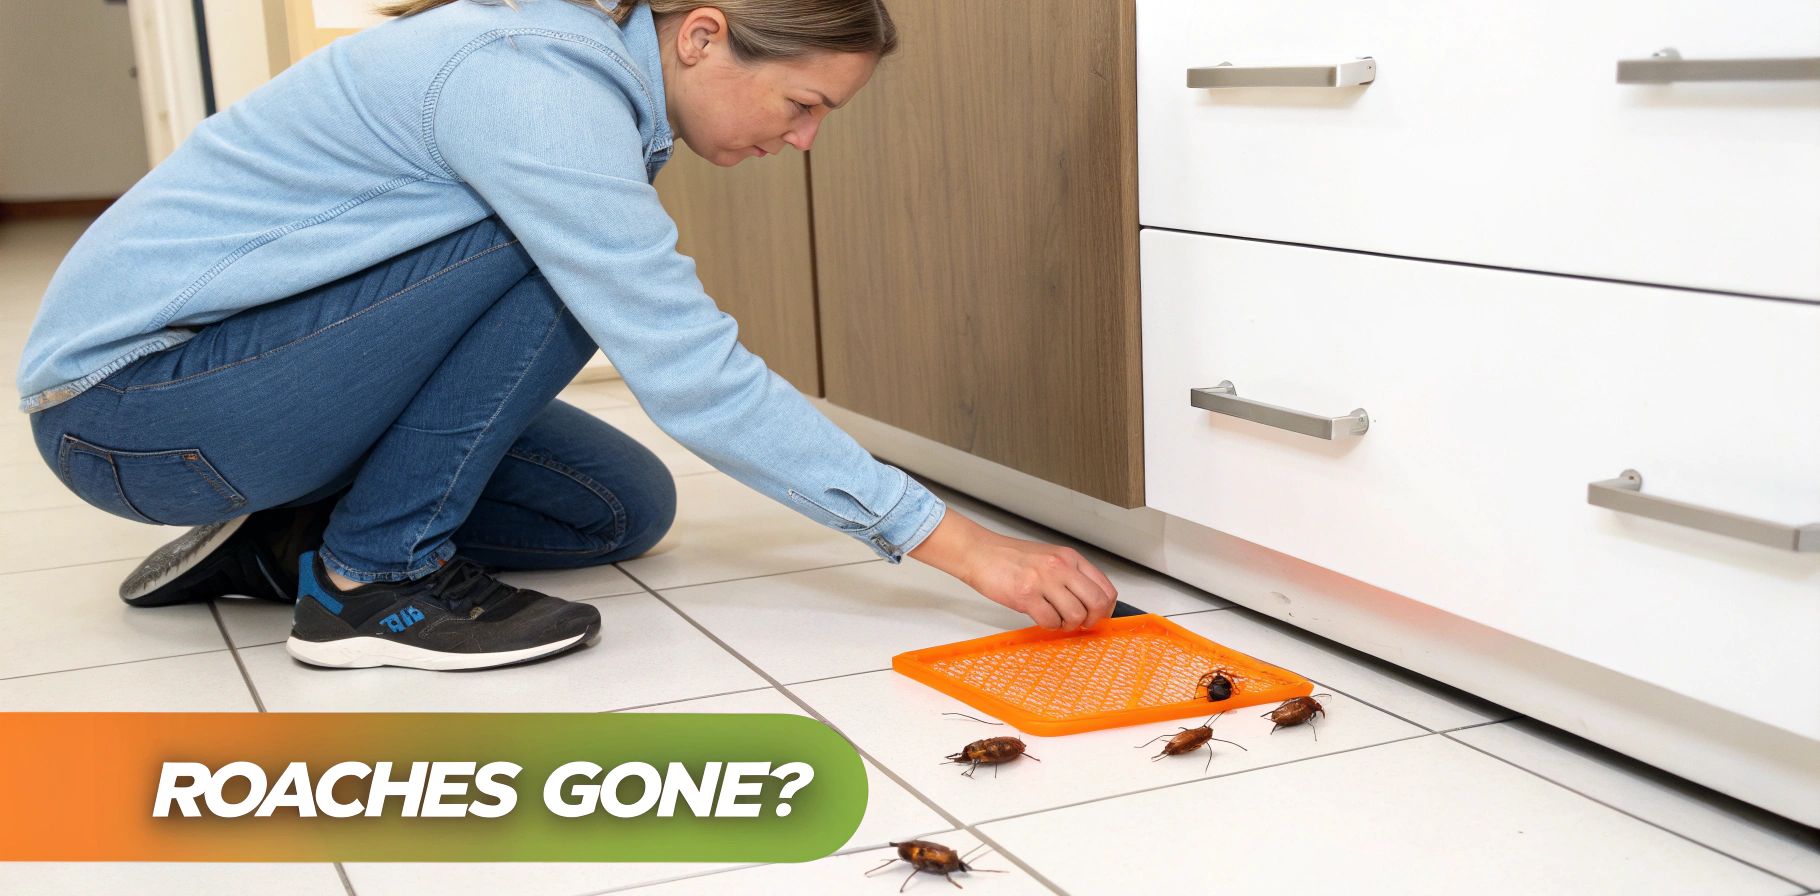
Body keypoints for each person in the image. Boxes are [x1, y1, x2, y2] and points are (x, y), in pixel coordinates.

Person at [17, 0, 1117, 672]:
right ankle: (369, 579)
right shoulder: (534, 81)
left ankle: (281, 537)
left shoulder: (574, 73)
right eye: (802, 103)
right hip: (131, 410)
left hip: (222, 396)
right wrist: (959, 543)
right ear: (702, 36)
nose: (805, 139)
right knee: (560, 257)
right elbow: (693, 373)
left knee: (617, 507)